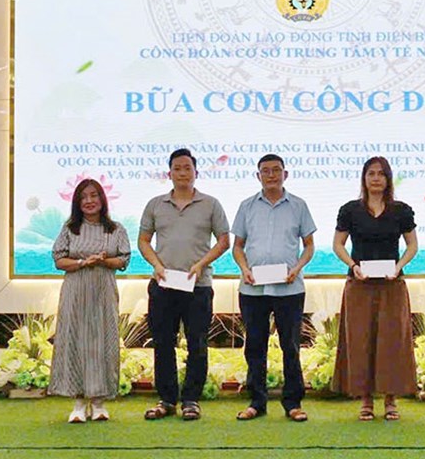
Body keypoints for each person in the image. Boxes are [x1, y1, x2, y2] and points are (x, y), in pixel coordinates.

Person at [138, 148, 229, 421]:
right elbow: (143, 240)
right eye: (177, 168)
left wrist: (201, 264)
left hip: (197, 286)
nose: (182, 172)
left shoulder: (211, 204)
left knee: (197, 344)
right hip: (164, 285)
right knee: (163, 343)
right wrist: (156, 265)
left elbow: (224, 240)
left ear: (195, 172)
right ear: (169, 173)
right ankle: (166, 399)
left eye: (187, 168)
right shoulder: (155, 204)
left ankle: (191, 399)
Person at [332, 156, 417, 421]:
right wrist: (353, 265)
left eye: (381, 174)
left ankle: (391, 400)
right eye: (371, 173)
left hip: (392, 285)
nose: (376, 178)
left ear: (388, 178)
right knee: (361, 340)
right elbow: (338, 245)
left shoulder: (401, 210)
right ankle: (366, 399)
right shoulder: (350, 210)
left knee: (392, 341)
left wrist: (398, 266)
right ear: (364, 178)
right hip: (360, 285)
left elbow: (412, 246)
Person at [232, 154, 316, 422]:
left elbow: (309, 246)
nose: (271, 175)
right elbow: (238, 247)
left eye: (276, 170)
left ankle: (293, 402)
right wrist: (244, 270)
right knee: (255, 346)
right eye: (265, 171)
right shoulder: (246, 206)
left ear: (285, 174)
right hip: (253, 290)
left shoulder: (299, 206)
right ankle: (257, 401)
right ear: (258, 176)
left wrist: (297, 268)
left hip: (289, 289)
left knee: (290, 346)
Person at [50, 179, 130, 423]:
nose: (89, 201)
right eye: (83, 197)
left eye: (94, 195)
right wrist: (84, 263)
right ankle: (78, 403)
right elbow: (59, 260)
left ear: (102, 199)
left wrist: (104, 261)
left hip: (103, 292)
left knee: (101, 342)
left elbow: (123, 261)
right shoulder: (70, 228)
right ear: (77, 203)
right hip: (75, 292)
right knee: (75, 340)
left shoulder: (115, 229)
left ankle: (99, 403)